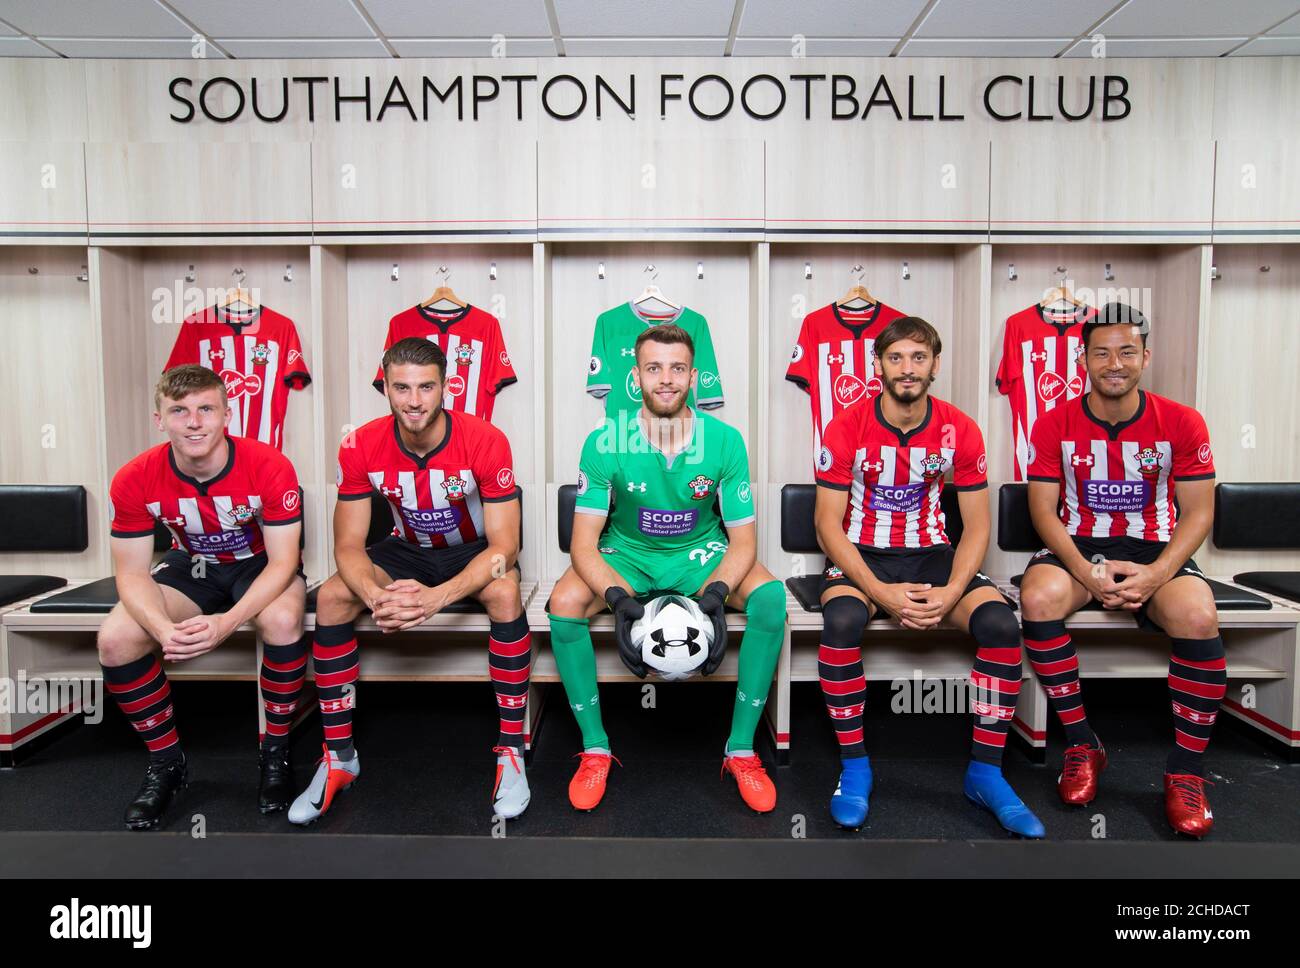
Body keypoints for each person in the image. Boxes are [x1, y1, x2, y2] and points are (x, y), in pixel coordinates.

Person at [814, 316, 1043, 837]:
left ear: (935, 365)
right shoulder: (845, 426)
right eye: (895, 358)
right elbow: (826, 525)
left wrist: (952, 592)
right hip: (863, 555)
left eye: (918, 357)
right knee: (844, 620)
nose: (907, 368)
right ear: (878, 366)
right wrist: (881, 595)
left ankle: (985, 772)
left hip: (932, 553)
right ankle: (854, 767)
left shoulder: (960, 428)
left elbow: (978, 525)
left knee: (1002, 629)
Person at [547, 324, 788, 813]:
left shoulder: (725, 441)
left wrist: (718, 594)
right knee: (565, 602)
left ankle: (741, 749)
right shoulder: (604, 442)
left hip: (699, 553)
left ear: (693, 376)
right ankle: (595, 748)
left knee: (771, 600)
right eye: (654, 368)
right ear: (636, 376)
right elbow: (583, 546)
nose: (666, 379)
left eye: (677, 368)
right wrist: (617, 601)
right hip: (628, 554)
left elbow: (743, 541)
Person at [289, 337, 530, 824]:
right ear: (386, 387)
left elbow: (507, 547)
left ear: (446, 387)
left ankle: (511, 750)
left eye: (425, 387)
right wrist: (377, 598)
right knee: (335, 597)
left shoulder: (485, 438)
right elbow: (349, 546)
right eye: (401, 387)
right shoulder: (360, 443)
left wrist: (437, 599)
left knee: (504, 591)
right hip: (406, 551)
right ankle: (339, 757)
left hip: (476, 552)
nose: (414, 400)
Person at [1021, 302, 1222, 838]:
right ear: (1083, 359)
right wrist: (1087, 572)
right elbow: (1042, 510)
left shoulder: (1181, 420)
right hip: (1080, 546)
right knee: (1037, 599)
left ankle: (1186, 772)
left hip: (1156, 549)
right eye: (1102, 352)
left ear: (1145, 357)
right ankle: (1084, 743)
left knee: (1199, 616)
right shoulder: (1053, 422)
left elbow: (1199, 511)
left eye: (1127, 351)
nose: (1115, 362)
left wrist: (1156, 574)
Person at [102, 365, 307, 829]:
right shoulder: (134, 477)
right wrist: (160, 630)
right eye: (179, 411)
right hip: (190, 565)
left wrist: (227, 622)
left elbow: (282, 563)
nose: (193, 422)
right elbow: (132, 574)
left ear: (226, 415)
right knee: (116, 639)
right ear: (160, 419)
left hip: (258, 564)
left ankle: (275, 754)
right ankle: (166, 764)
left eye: (205, 409)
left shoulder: (269, 465)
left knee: (280, 621)